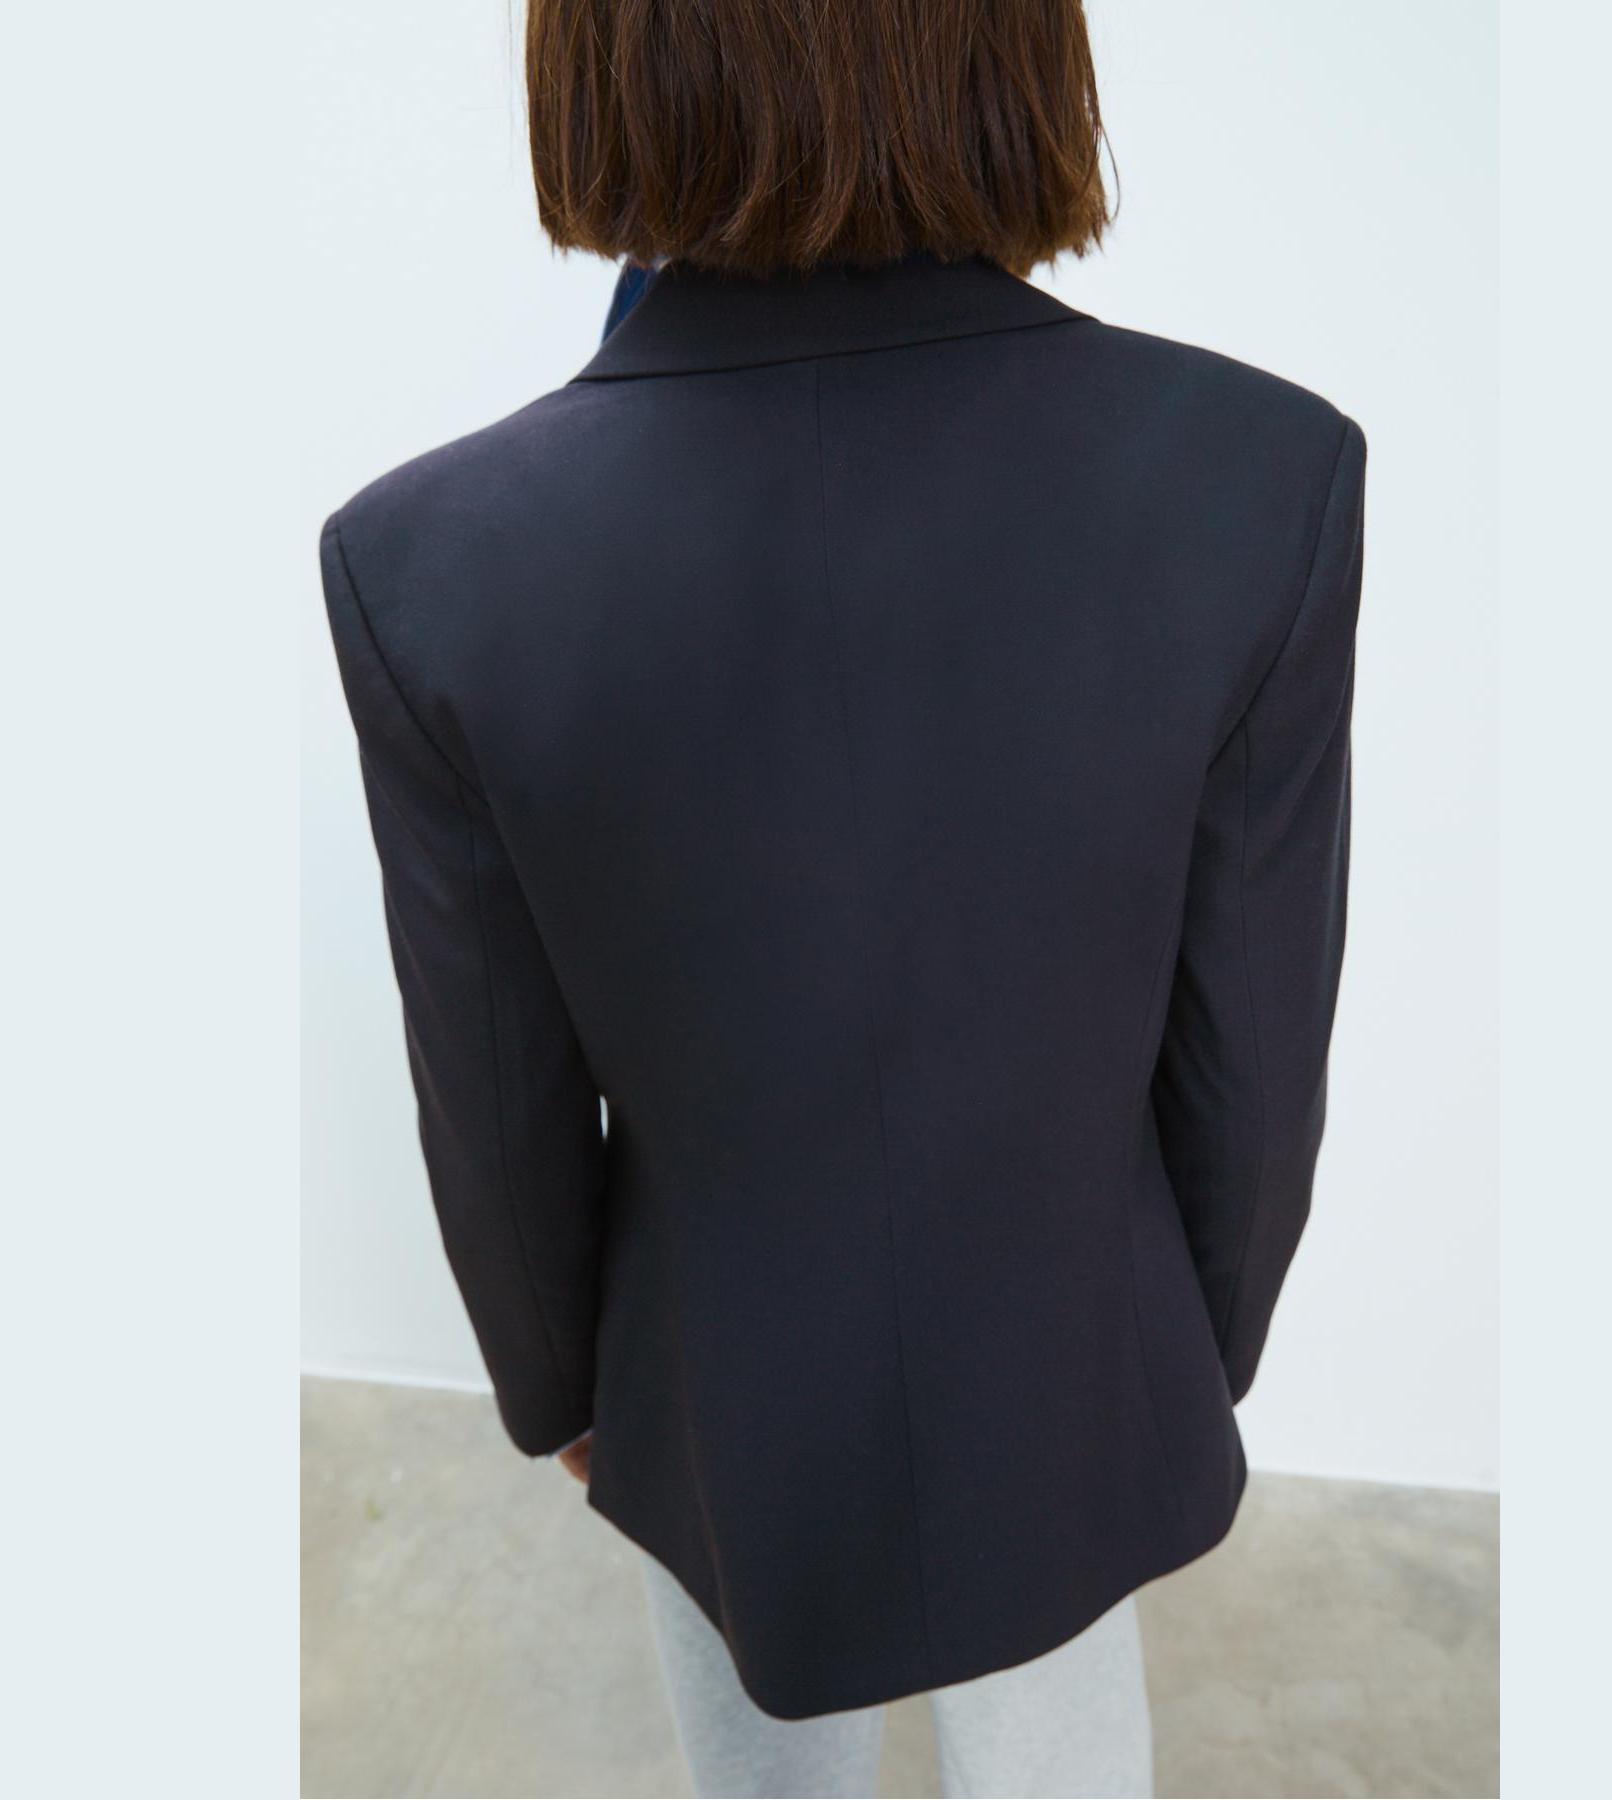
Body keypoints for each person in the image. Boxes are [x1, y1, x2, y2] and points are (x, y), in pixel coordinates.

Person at [320, 1, 1364, 1793]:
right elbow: (1252, 1055)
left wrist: (568, 1389)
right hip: (1072, 1363)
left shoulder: (429, 561)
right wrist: (1176, 1348)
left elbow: (494, 1098)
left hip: (715, 1401)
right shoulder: (1263, 475)